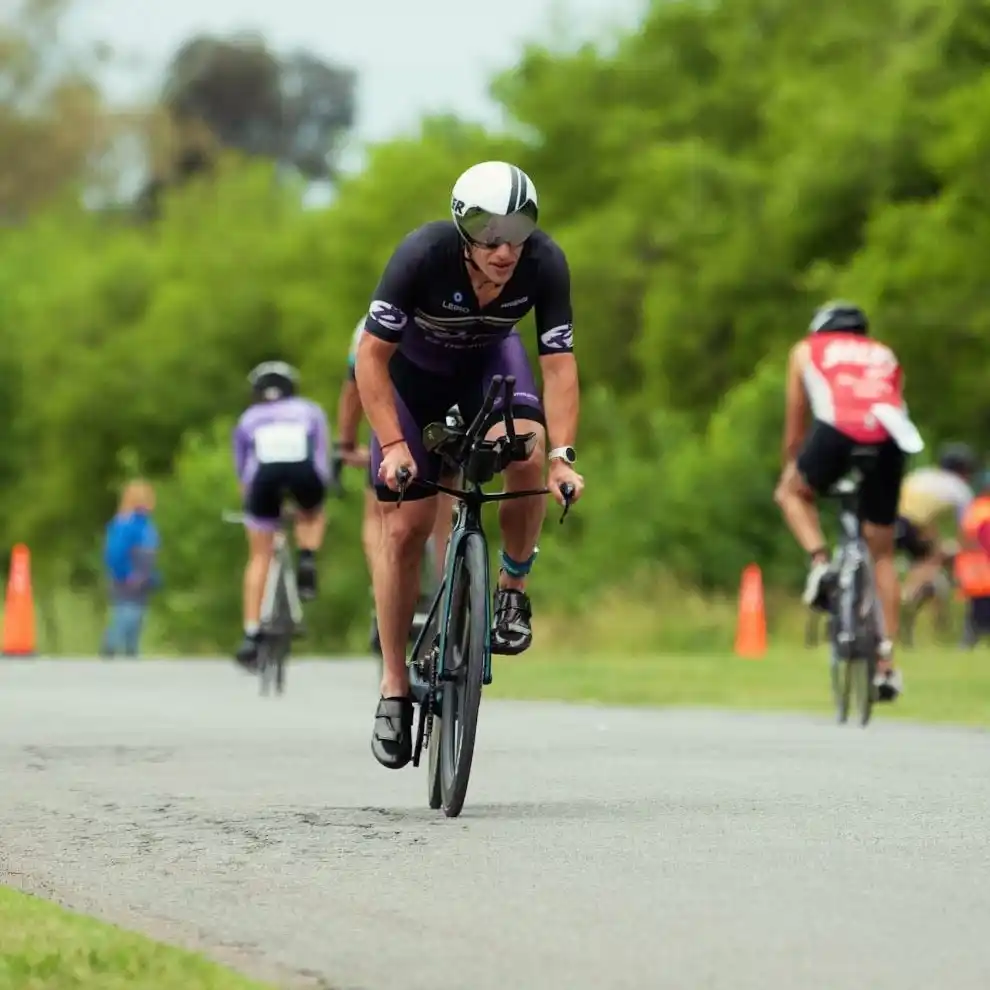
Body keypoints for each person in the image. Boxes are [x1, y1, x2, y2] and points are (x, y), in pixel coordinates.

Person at [355, 160, 585, 769]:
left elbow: (559, 367)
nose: (506, 248)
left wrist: (563, 457)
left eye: (519, 229)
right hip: (414, 384)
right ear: (462, 227)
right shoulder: (422, 255)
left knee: (528, 451)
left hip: (490, 368)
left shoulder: (545, 263)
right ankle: (394, 685)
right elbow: (370, 360)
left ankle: (511, 590)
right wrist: (395, 446)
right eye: (490, 233)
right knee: (404, 527)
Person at [774, 301, 907, 702]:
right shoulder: (884, 353)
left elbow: (797, 417)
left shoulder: (806, 350)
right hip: (889, 436)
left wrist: (793, 465)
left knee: (789, 493)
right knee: (881, 552)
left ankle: (820, 562)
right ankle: (886, 663)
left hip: (835, 431)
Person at [336, 316, 455, 654]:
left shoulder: (370, 322)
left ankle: (384, 588)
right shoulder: (457, 310)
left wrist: (344, 443)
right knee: (444, 514)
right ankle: (449, 597)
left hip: (397, 429)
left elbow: (353, 389)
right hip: (448, 419)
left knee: (378, 516)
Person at [231, 361, 332, 671]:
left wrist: (253, 505)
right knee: (312, 513)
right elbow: (321, 458)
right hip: (303, 473)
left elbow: (243, 471)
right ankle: (307, 555)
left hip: (263, 478)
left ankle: (250, 633)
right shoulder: (310, 411)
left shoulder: (249, 418)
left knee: (259, 556)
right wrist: (317, 495)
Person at [895, 442, 977, 606]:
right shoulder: (960, 488)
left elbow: (925, 520)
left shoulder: (923, 474)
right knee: (932, 557)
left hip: (891, 518)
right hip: (911, 523)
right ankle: (908, 596)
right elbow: (969, 528)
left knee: (927, 548)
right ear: (963, 470)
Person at [101, 479, 161, 658]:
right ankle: (110, 646)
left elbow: (149, 553)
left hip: (141, 580)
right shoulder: (126, 524)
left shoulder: (145, 524)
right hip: (127, 580)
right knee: (126, 615)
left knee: (137, 618)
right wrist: (125, 574)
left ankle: (131, 652)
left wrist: (151, 576)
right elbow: (115, 552)